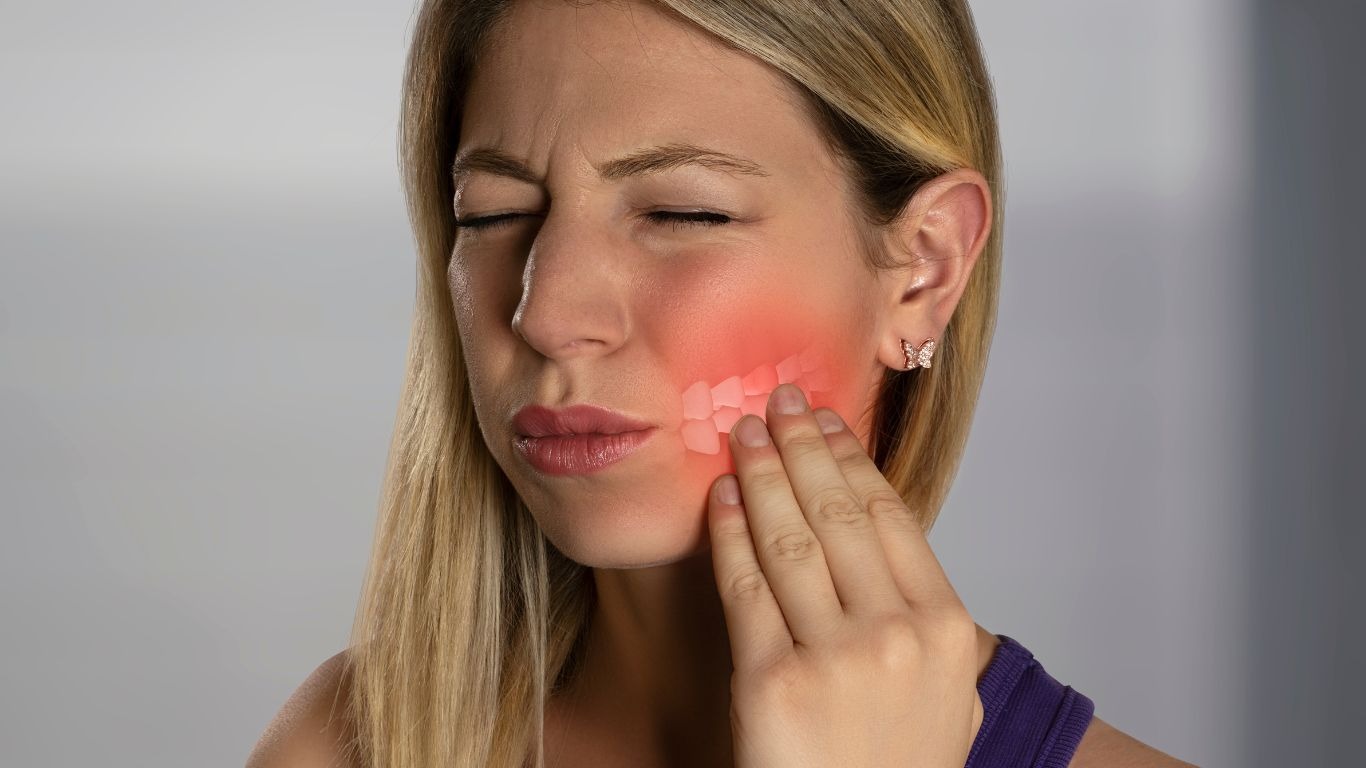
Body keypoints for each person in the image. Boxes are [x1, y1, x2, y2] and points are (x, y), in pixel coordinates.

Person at [248, 1, 1196, 766]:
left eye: (681, 212)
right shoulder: (341, 748)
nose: (545, 312)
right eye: (493, 214)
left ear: (924, 269)